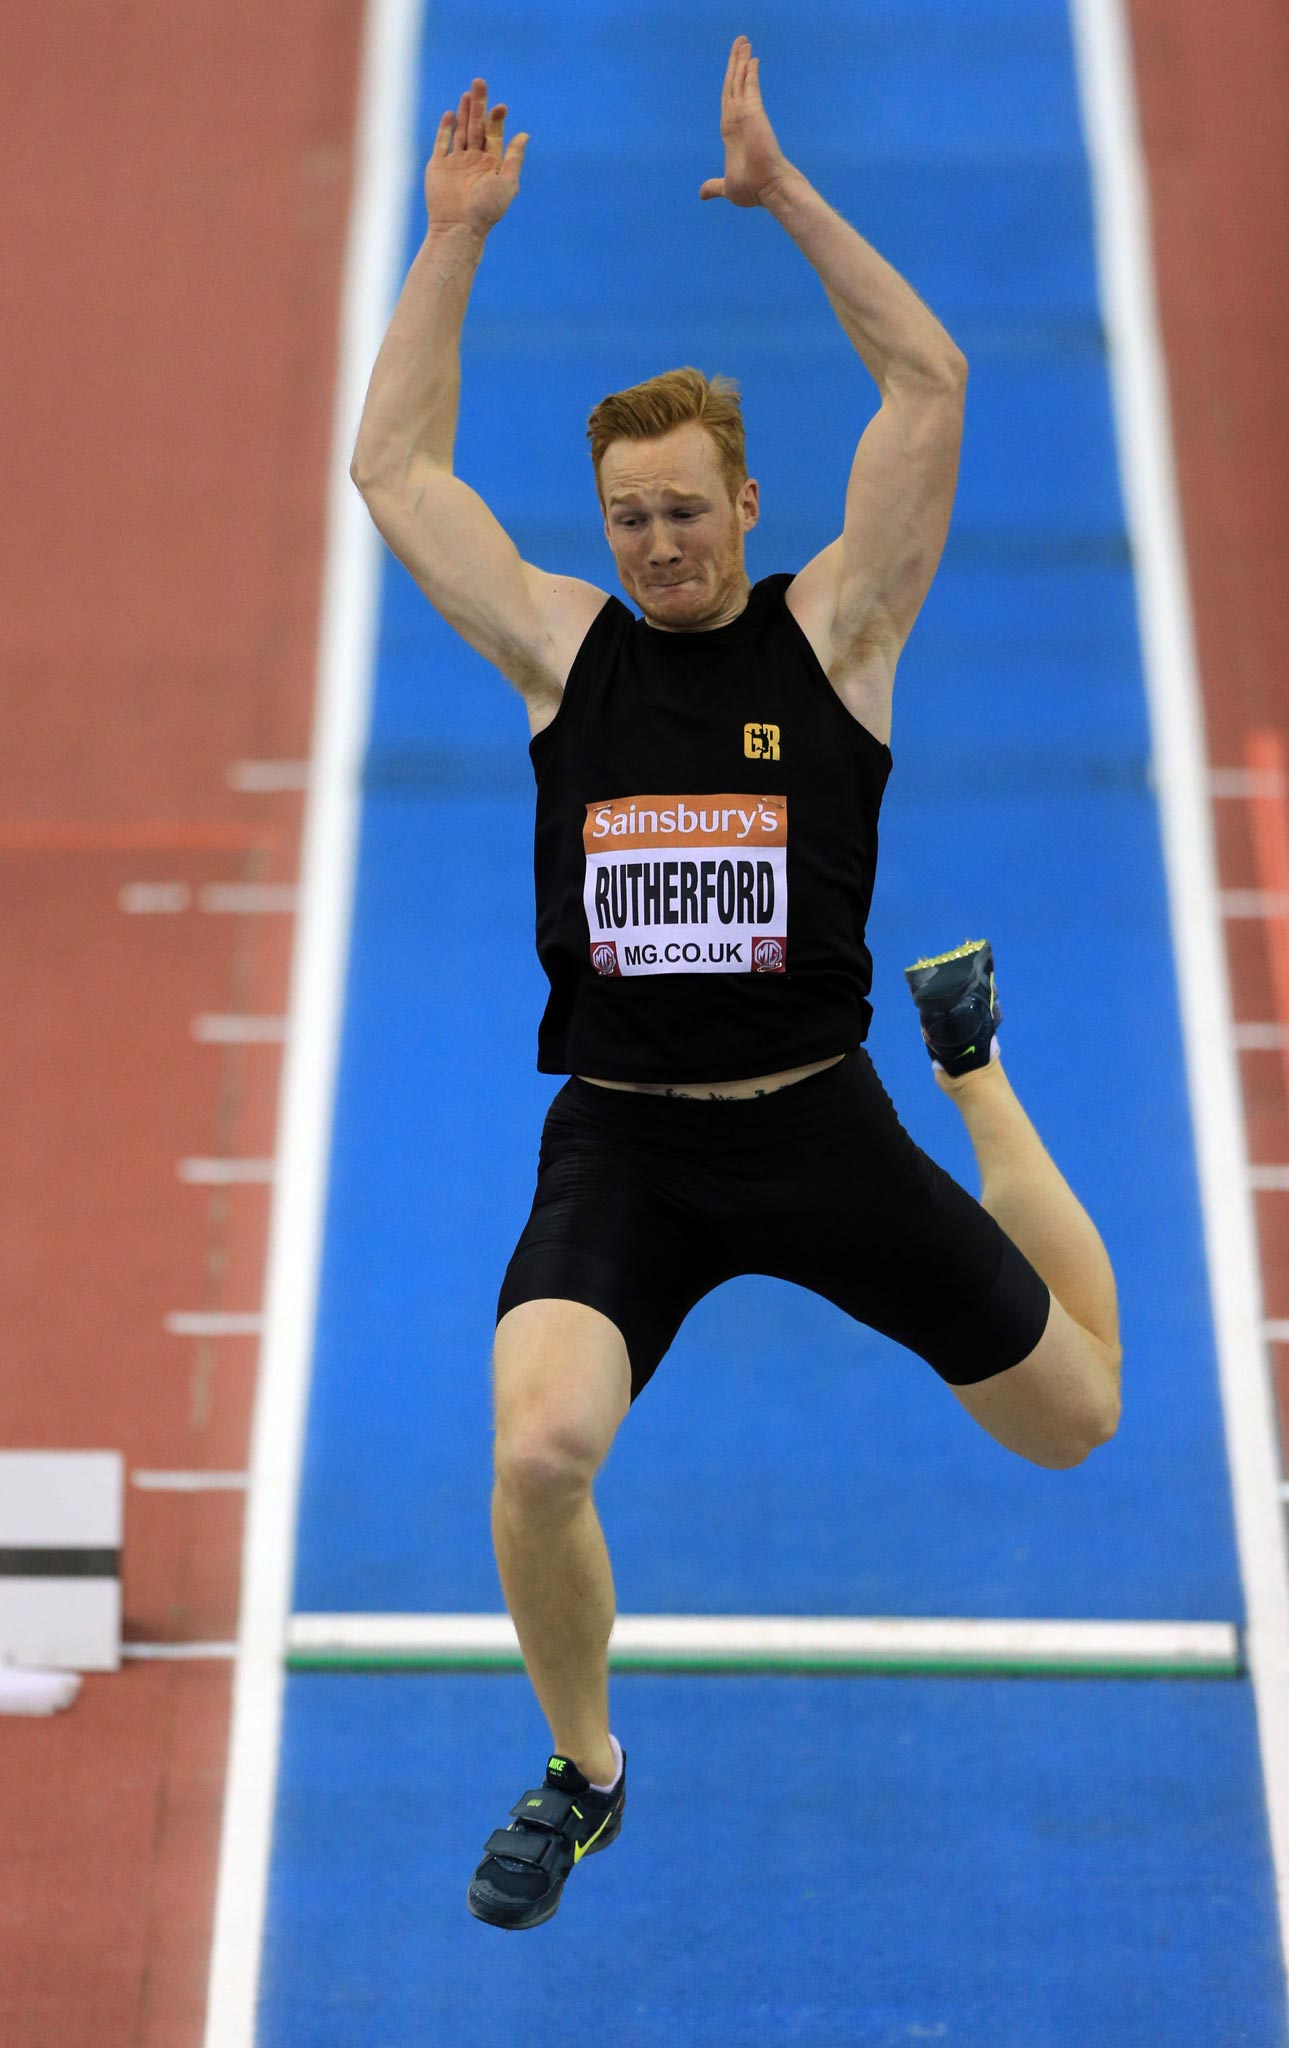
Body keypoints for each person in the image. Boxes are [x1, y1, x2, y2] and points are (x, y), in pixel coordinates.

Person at [350, 36, 1122, 1934]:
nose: (656, 543)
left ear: (748, 505)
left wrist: (782, 199)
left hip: (823, 1127)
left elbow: (929, 379)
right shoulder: (563, 655)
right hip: (625, 1142)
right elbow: (395, 469)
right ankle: (582, 1770)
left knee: (1076, 1419)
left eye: (686, 510)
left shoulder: (844, 635)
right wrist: (453, 237)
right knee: (536, 1441)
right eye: (627, 517)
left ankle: (977, 1074)